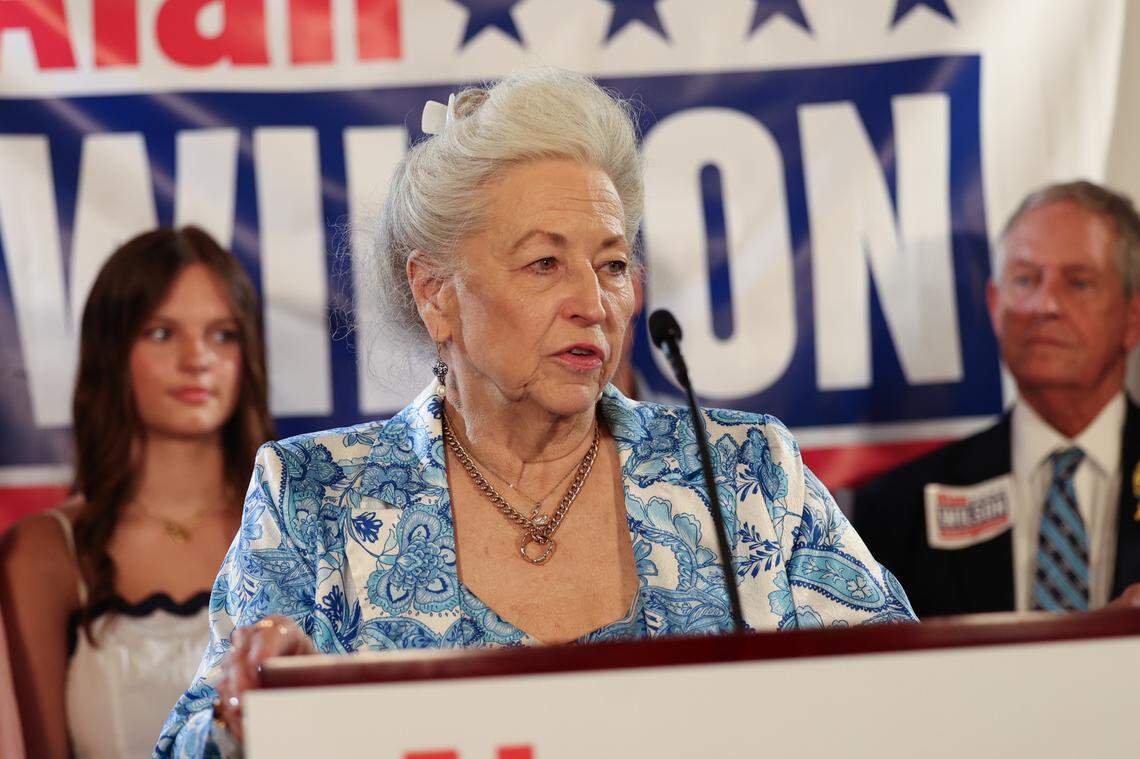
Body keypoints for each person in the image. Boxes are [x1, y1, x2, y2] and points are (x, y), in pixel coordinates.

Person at [156, 69, 915, 758]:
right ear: (435, 292)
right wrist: (246, 714)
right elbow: (187, 746)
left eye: (612, 264)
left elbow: (910, 699)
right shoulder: (314, 497)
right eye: (545, 262)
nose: (593, 303)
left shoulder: (746, 473)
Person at [0, 227, 274, 757]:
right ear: (110, 352)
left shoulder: (295, 523)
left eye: (223, 334)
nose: (198, 358)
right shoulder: (47, 552)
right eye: (161, 333)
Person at [854, 180, 1140, 618]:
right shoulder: (900, 508)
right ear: (995, 305)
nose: (1044, 305)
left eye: (1079, 283)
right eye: (1025, 279)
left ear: (1132, 316)